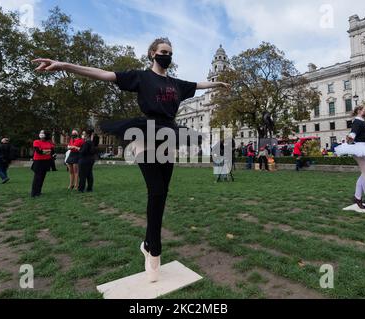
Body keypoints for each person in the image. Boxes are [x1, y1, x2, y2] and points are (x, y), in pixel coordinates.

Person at [33, 37, 229, 283]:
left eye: (170, 52)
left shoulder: (176, 83)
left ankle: (148, 243)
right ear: (152, 54)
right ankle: (155, 250)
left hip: (168, 134)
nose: (167, 55)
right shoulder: (140, 77)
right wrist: (63, 65)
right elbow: (103, 74)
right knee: (156, 190)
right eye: (163, 51)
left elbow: (199, 84)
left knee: (162, 194)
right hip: (145, 134)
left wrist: (217, 84)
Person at [31, 130, 55, 198]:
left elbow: (52, 151)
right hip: (38, 161)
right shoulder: (36, 142)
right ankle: (33, 193)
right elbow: (39, 151)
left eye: (43, 133)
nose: (41, 134)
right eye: (40, 133)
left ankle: (38, 192)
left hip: (46, 161)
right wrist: (47, 151)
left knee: (42, 177)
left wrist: (45, 151)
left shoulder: (49, 142)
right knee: (37, 177)